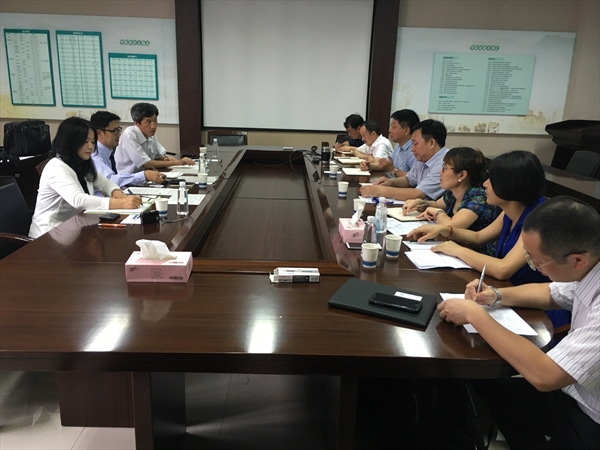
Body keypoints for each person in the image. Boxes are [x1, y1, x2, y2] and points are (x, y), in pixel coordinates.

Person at [438, 196, 600, 450]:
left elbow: (545, 375)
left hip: (592, 418)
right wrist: (495, 295)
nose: (535, 267)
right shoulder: (588, 270)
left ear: (577, 260)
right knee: (500, 392)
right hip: (574, 393)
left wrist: (475, 315)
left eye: (539, 262)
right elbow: (551, 293)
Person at [406, 150, 549, 284]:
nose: (485, 184)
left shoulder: (539, 218)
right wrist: (444, 230)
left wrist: (457, 250)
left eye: (492, 180)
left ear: (511, 185)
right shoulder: (511, 209)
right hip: (506, 286)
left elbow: (503, 269)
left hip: (526, 295)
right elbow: (478, 237)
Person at [29, 117, 141, 238]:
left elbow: (104, 183)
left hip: (74, 228)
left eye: (92, 142)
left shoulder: (81, 162)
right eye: (85, 141)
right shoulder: (56, 167)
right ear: (70, 141)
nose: (90, 147)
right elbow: (78, 200)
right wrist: (121, 204)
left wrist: (116, 192)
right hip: (49, 234)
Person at [403, 147, 500, 255]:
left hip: (477, 255)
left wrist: (438, 213)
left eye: (445, 168)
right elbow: (436, 204)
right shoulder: (454, 192)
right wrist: (419, 202)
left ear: (462, 175)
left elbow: (450, 227)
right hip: (456, 249)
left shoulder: (478, 198)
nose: (440, 172)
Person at [360, 119, 448, 201]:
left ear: (431, 143)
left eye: (415, 144)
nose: (412, 149)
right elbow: (408, 180)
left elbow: (418, 194)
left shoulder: (444, 163)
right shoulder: (424, 159)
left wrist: (380, 191)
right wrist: (390, 182)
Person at [90, 111, 165, 189]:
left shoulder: (108, 153)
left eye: (119, 130)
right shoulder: (95, 156)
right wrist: (144, 175)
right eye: (114, 131)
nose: (119, 134)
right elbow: (110, 181)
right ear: (99, 133)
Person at [115, 102, 194, 173]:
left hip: (149, 175)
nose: (153, 126)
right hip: (131, 179)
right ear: (136, 123)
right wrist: (177, 162)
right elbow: (146, 164)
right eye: (148, 122)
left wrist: (165, 158)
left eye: (155, 120)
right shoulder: (130, 135)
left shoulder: (150, 134)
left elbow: (159, 154)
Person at [359, 109, 419, 177]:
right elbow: (386, 165)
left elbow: (415, 179)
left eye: (394, 127)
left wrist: (392, 169)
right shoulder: (399, 146)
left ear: (406, 130)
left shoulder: (415, 150)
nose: (390, 130)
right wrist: (369, 166)